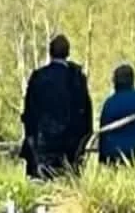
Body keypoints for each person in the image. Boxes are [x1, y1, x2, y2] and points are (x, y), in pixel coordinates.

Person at [20, 34, 92, 179]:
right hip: (70, 147)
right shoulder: (77, 79)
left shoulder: (38, 78)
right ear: (68, 53)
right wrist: (82, 143)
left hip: (43, 146)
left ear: (50, 52)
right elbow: (87, 114)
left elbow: (29, 114)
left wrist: (31, 140)